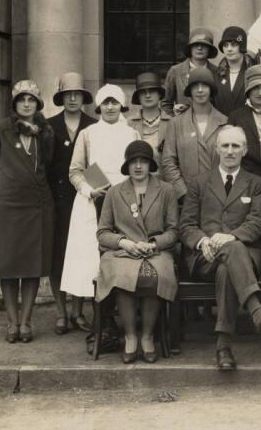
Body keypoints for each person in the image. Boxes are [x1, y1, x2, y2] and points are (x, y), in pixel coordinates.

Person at [180, 125, 261, 371]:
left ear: (245, 150)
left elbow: (257, 223)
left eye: (235, 146)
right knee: (231, 254)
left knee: (231, 260)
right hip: (204, 256)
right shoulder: (198, 183)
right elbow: (186, 225)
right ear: (216, 149)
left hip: (244, 254)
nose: (230, 151)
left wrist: (230, 238)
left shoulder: (256, 183)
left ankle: (224, 346)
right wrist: (203, 241)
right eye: (225, 146)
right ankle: (259, 314)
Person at [0, 80, 55, 343]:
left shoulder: (46, 131)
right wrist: (3, 192)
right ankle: (12, 323)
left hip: (37, 207)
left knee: (33, 266)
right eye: (22, 99)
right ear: (15, 104)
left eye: (31, 100)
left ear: (37, 104)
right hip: (7, 208)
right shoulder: (0, 130)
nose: (26, 104)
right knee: (9, 266)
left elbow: (49, 164)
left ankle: (26, 322)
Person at [96, 140, 179, 364]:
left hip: (155, 251)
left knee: (155, 277)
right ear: (127, 165)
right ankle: (130, 336)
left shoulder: (166, 190)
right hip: (123, 253)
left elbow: (174, 231)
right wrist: (123, 242)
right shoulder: (114, 193)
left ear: (150, 164)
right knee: (123, 277)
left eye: (144, 161)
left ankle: (147, 336)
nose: (139, 166)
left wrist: (153, 243)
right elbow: (102, 233)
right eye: (134, 162)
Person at [61, 85, 139, 314]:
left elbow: (138, 169)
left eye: (114, 102)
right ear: (99, 106)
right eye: (106, 102)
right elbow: (75, 170)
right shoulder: (88, 133)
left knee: (123, 252)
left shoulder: (132, 133)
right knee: (90, 258)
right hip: (92, 202)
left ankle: (121, 312)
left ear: (121, 105)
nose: (110, 107)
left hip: (125, 202)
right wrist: (89, 190)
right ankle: (97, 317)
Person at [47, 73, 96, 335]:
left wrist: (97, 192)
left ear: (84, 98)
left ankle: (78, 311)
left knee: (80, 254)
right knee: (58, 255)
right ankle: (60, 312)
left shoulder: (93, 126)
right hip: (56, 201)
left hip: (84, 200)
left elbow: (95, 165)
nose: (73, 98)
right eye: (68, 94)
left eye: (78, 94)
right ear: (62, 97)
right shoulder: (48, 126)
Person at [161, 67, 227, 200]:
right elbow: (168, 161)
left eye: (205, 86)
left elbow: (230, 161)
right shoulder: (176, 123)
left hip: (218, 196)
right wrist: (183, 193)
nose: (200, 90)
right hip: (186, 198)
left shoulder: (225, 122)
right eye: (195, 86)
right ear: (189, 91)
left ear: (211, 90)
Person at [162, 27, 220, 116]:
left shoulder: (217, 72)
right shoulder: (175, 71)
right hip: (182, 125)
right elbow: (165, 104)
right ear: (190, 48)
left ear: (209, 49)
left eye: (204, 45)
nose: (199, 48)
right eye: (196, 45)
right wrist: (174, 122)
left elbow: (219, 104)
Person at [128, 71, 172, 168]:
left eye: (152, 91)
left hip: (165, 179)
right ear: (138, 97)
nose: (147, 95)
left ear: (159, 94)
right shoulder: (128, 124)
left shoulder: (173, 123)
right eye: (143, 92)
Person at [214, 26, 255, 117]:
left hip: (247, 126)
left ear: (242, 46)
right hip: (221, 127)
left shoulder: (254, 72)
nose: (229, 49)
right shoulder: (216, 75)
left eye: (233, 44)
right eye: (225, 45)